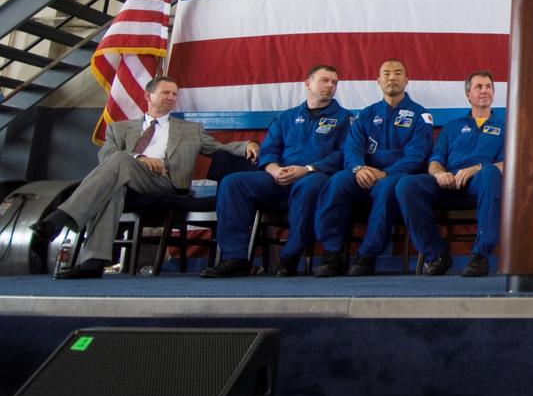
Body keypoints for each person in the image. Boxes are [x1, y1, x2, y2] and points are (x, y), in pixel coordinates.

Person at [28, 75, 259, 279]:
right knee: (115, 180)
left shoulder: (191, 130)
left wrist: (248, 144)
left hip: (167, 184)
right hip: (127, 185)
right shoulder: (119, 129)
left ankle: (60, 219)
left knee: (120, 161)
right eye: (165, 92)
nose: (171, 97)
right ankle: (94, 262)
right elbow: (106, 159)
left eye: (174, 94)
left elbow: (220, 149)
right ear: (148, 95)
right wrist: (139, 158)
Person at [202, 65, 351, 278]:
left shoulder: (344, 119)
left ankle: (289, 258)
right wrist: (273, 170)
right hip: (278, 178)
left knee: (309, 185)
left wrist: (307, 169)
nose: (330, 85)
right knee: (233, 183)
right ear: (308, 84)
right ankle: (234, 258)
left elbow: (343, 154)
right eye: (325, 80)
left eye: (334, 82)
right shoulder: (286, 117)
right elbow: (269, 149)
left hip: (315, 177)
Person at [312, 60, 434, 277]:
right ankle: (333, 253)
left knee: (386, 189)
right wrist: (358, 168)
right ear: (378, 81)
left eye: (398, 73)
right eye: (386, 73)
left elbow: (417, 155)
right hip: (364, 175)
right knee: (338, 181)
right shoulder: (366, 114)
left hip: (396, 177)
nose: (392, 77)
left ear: (406, 81)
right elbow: (352, 147)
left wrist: (386, 173)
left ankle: (367, 256)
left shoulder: (420, 115)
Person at [396, 71, 505, 278]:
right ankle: (436, 255)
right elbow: (435, 159)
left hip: (482, 184)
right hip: (449, 183)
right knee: (407, 185)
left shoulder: (506, 126)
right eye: (479, 87)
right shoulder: (452, 127)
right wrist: (439, 174)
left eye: (488, 86)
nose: (484, 91)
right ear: (468, 95)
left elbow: (509, 164)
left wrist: (477, 168)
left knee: (491, 172)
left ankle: (480, 256)